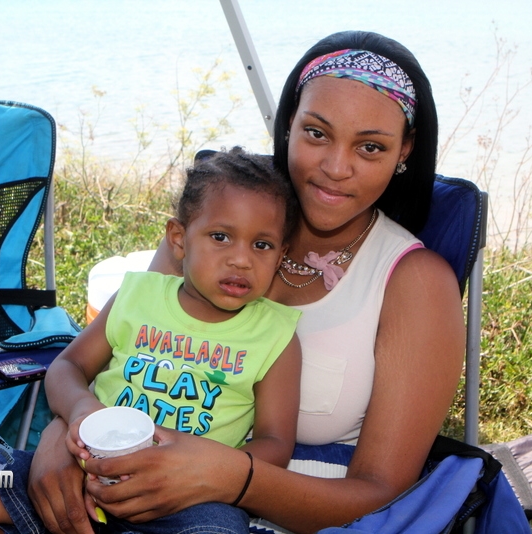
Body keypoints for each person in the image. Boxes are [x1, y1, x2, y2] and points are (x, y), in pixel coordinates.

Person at [23, 30, 466, 534]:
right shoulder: (222, 224)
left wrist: (230, 479)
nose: (336, 167)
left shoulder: (415, 282)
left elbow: (381, 494)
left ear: (404, 149)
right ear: (288, 124)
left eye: (370, 147)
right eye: (316, 133)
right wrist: (62, 437)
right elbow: (119, 355)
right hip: (123, 481)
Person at [0, 147, 303, 534]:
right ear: (179, 238)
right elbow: (68, 366)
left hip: (186, 499)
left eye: (261, 245)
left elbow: (275, 444)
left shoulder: (275, 336)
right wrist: (81, 409)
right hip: (78, 469)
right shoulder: (137, 297)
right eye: (221, 237)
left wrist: (207, 467)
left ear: (280, 255)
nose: (241, 259)